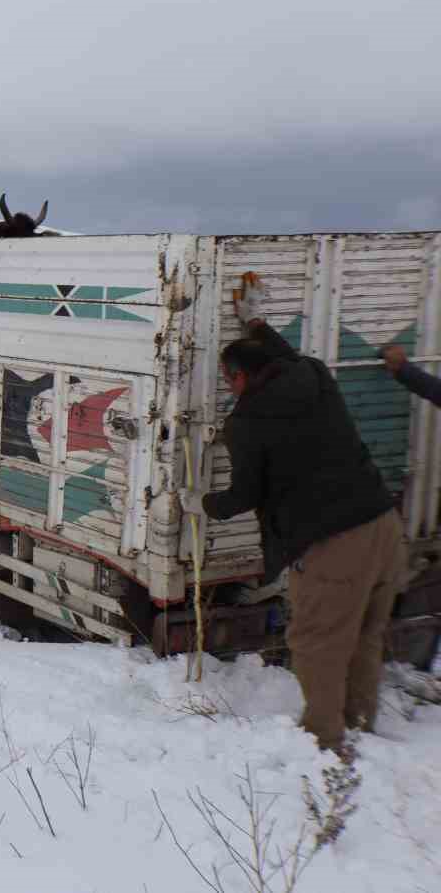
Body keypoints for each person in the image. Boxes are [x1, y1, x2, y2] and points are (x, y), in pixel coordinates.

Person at [182, 280, 404, 752]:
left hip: (333, 543)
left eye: (226, 378)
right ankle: (360, 722)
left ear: (239, 377)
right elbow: (285, 357)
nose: (225, 387)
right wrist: (256, 322)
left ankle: (324, 745)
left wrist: (199, 502)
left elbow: (244, 495)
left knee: (316, 641)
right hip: (383, 523)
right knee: (365, 630)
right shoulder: (315, 375)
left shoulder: (246, 423)